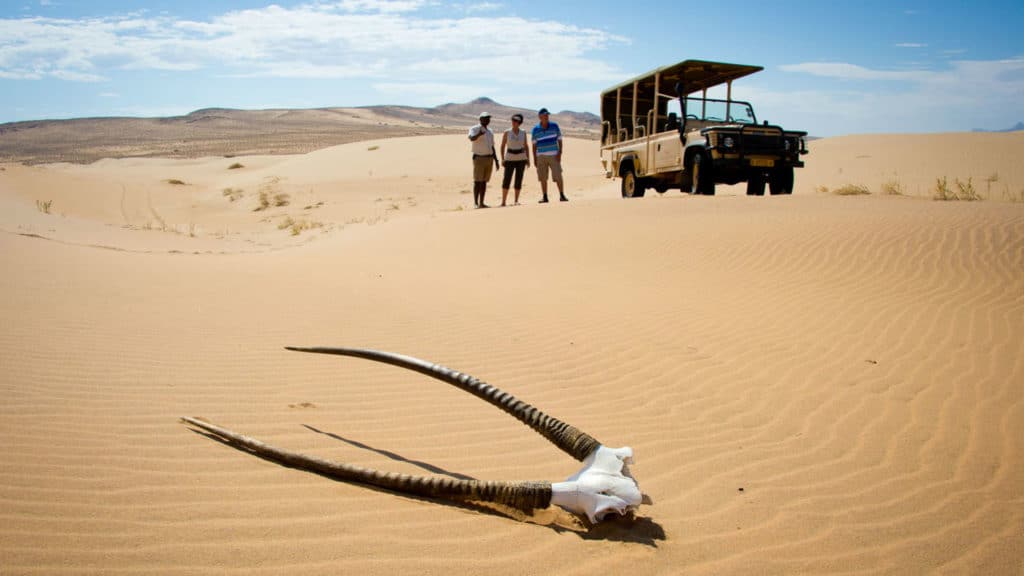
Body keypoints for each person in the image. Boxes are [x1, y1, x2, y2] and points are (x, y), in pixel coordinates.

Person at [531, 107, 567, 203]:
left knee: (558, 175)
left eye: (547, 115)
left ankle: (562, 195)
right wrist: (534, 158)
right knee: (543, 177)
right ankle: (545, 196)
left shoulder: (554, 126)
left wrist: (560, 152)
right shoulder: (535, 129)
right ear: (540, 117)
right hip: (541, 156)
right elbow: (534, 145)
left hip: (554, 155)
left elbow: (559, 139)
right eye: (544, 115)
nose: (546, 117)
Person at [467, 111, 498, 208]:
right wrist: (479, 134)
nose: (487, 120)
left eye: (488, 118)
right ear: (480, 119)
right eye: (485, 118)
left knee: (484, 181)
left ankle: (482, 202)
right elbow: (471, 138)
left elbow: (492, 146)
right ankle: (475, 203)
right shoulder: (474, 128)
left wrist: (496, 160)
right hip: (479, 158)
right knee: (477, 181)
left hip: (489, 158)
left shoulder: (490, 131)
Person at [500, 113, 530, 206]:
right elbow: (502, 146)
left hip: (521, 158)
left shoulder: (523, 132)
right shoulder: (507, 132)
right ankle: (503, 201)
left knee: (519, 179)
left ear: (519, 122)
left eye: (516, 121)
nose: (514, 122)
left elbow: (526, 146)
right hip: (509, 158)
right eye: (513, 120)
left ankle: (516, 200)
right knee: (507, 179)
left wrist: (528, 159)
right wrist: (502, 158)